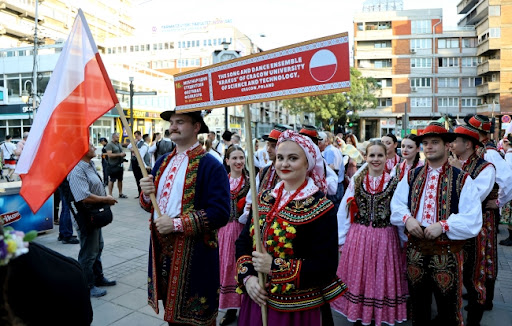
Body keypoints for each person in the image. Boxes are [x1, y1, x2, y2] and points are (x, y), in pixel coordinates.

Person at [235, 130, 347, 326]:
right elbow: (243, 241)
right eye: (280, 158)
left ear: (308, 163)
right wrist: (248, 279)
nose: (284, 164)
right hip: (258, 301)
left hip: (299, 310)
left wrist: (274, 266)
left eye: (293, 158)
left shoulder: (321, 207)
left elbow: (326, 266)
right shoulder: (263, 199)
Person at [139, 110, 230, 325]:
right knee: (171, 314)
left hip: (194, 255)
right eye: (172, 123)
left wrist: (177, 224)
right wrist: (145, 192)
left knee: (195, 318)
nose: (173, 127)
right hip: (163, 254)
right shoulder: (162, 162)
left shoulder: (211, 165)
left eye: (180, 122)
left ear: (196, 127)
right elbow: (149, 206)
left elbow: (220, 213)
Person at [390, 122, 482, 326]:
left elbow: (473, 218)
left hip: (446, 254)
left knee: (448, 309)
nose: (428, 147)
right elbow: (396, 205)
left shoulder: (462, 178)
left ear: (447, 145)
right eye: (425, 143)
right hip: (416, 251)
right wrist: (408, 219)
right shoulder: (411, 175)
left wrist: (444, 225)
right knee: (418, 308)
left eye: (434, 142)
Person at [333, 141, 407, 326]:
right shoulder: (357, 182)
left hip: (385, 238)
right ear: (365, 157)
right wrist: (342, 239)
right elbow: (344, 211)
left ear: (386, 157)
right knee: (361, 277)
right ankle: (360, 315)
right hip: (359, 237)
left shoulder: (394, 183)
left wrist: (403, 241)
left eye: (379, 155)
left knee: (381, 277)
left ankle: (377, 316)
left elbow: (399, 213)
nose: (375, 159)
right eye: (371, 155)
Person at [448, 125, 496, 325]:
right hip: (454, 226)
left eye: (455, 141)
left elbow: (476, 196)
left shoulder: (486, 167)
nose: (451, 144)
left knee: (473, 275)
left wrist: (460, 172)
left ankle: (474, 320)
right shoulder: (452, 162)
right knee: (451, 273)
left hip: (477, 230)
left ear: (467, 144)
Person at [464, 114, 512, 310]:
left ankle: (486, 299)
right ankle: (477, 293)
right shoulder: (481, 149)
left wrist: (499, 201)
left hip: (485, 213)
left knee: (485, 254)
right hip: (477, 211)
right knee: (475, 254)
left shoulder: (490, 152)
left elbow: (508, 179)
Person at [68, 142, 118, 298]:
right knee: (88, 252)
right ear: (82, 150)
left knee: (98, 247)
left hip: (94, 215)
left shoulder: (89, 165)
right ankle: (87, 285)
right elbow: (84, 197)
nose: (95, 148)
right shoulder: (77, 170)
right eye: (91, 146)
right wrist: (106, 199)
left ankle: (98, 277)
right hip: (85, 217)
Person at [218, 145, 250, 326]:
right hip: (223, 231)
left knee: (240, 267)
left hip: (242, 231)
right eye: (235, 158)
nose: (239, 162)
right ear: (227, 161)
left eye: (242, 158)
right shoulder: (222, 181)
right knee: (225, 268)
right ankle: (230, 310)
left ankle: (245, 309)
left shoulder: (251, 182)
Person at [319, 131, 345, 212]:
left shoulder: (330, 151)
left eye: (320, 141)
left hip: (335, 186)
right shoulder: (332, 150)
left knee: (334, 210)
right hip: (336, 185)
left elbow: (332, 169)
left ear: (327, 140)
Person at [105, 132, 128, 198]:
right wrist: (119, 155)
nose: (118, 138)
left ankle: (120, 193)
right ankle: (110, 194)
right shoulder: (109, 145)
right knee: (112, 180)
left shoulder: (118, 144)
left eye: (118, 137)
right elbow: (109, 155)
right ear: (113, 137)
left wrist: (123, 154)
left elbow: (121, 151)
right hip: (113, 165)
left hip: (120, 164)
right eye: (117, 137)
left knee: (120, 179)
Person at [128, 131, 145, 198]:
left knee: (140, 177)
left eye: (137, 136)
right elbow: (129, 147)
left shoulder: (143, 143)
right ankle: (139, 193)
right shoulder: (135, 142)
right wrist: (133, 142)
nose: (136, 138)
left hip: (139, 162)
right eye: (135, 136)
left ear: (140, 135)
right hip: (134, 161)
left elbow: (139, 151)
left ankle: (142, 193)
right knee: (136, 177)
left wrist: (134, 149)